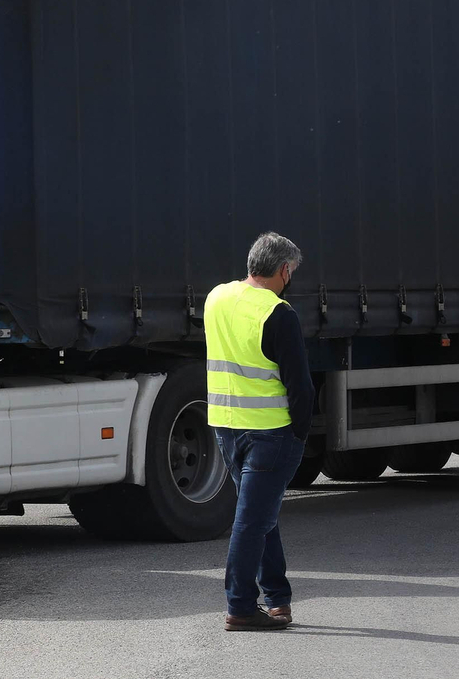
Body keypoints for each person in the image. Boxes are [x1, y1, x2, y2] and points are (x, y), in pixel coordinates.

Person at [205, 232, 316, 631]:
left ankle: (278, 599)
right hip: (269, 433)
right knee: (252, 521)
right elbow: (300, 387)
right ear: (284, 270)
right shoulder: (278, 313)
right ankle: (240, 606)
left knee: (260, 514)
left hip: (225, 427)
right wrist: (300, 436)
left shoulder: (215, 297)